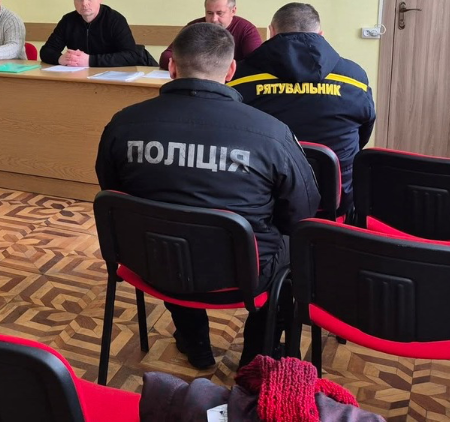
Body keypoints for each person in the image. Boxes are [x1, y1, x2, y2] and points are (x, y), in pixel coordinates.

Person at [95, 22, 318, 370]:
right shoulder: (271, 133)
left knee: (170, 228)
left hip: (150, 262)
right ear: (231, 70)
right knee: (297, 245)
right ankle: (257, 357)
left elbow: (110, 191)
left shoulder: (123, 124)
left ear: (172, 66)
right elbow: (303, 211)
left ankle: (194, 343)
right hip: (243, 275)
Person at [229, 3, 375, 214]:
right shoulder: (354, 77)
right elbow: (363, 134)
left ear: (272, 32)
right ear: (320, 34)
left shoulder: (239, 78)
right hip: (335, 201)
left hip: (262, 201)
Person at [39, 0, 146, 67]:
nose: (84, 3)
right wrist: (60, 59)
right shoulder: (68, 21)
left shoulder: (115, 20)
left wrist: (90, 61)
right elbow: (46, 51)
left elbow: (131, 55)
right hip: (78, 77)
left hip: (112, 78)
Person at [158, 0, 262, 70]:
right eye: (209, 13)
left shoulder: (247, 30)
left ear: (233, 11)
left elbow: (256, 63)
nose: (214, 19)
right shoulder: (194, 27)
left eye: (220, 13)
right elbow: (166, 57)